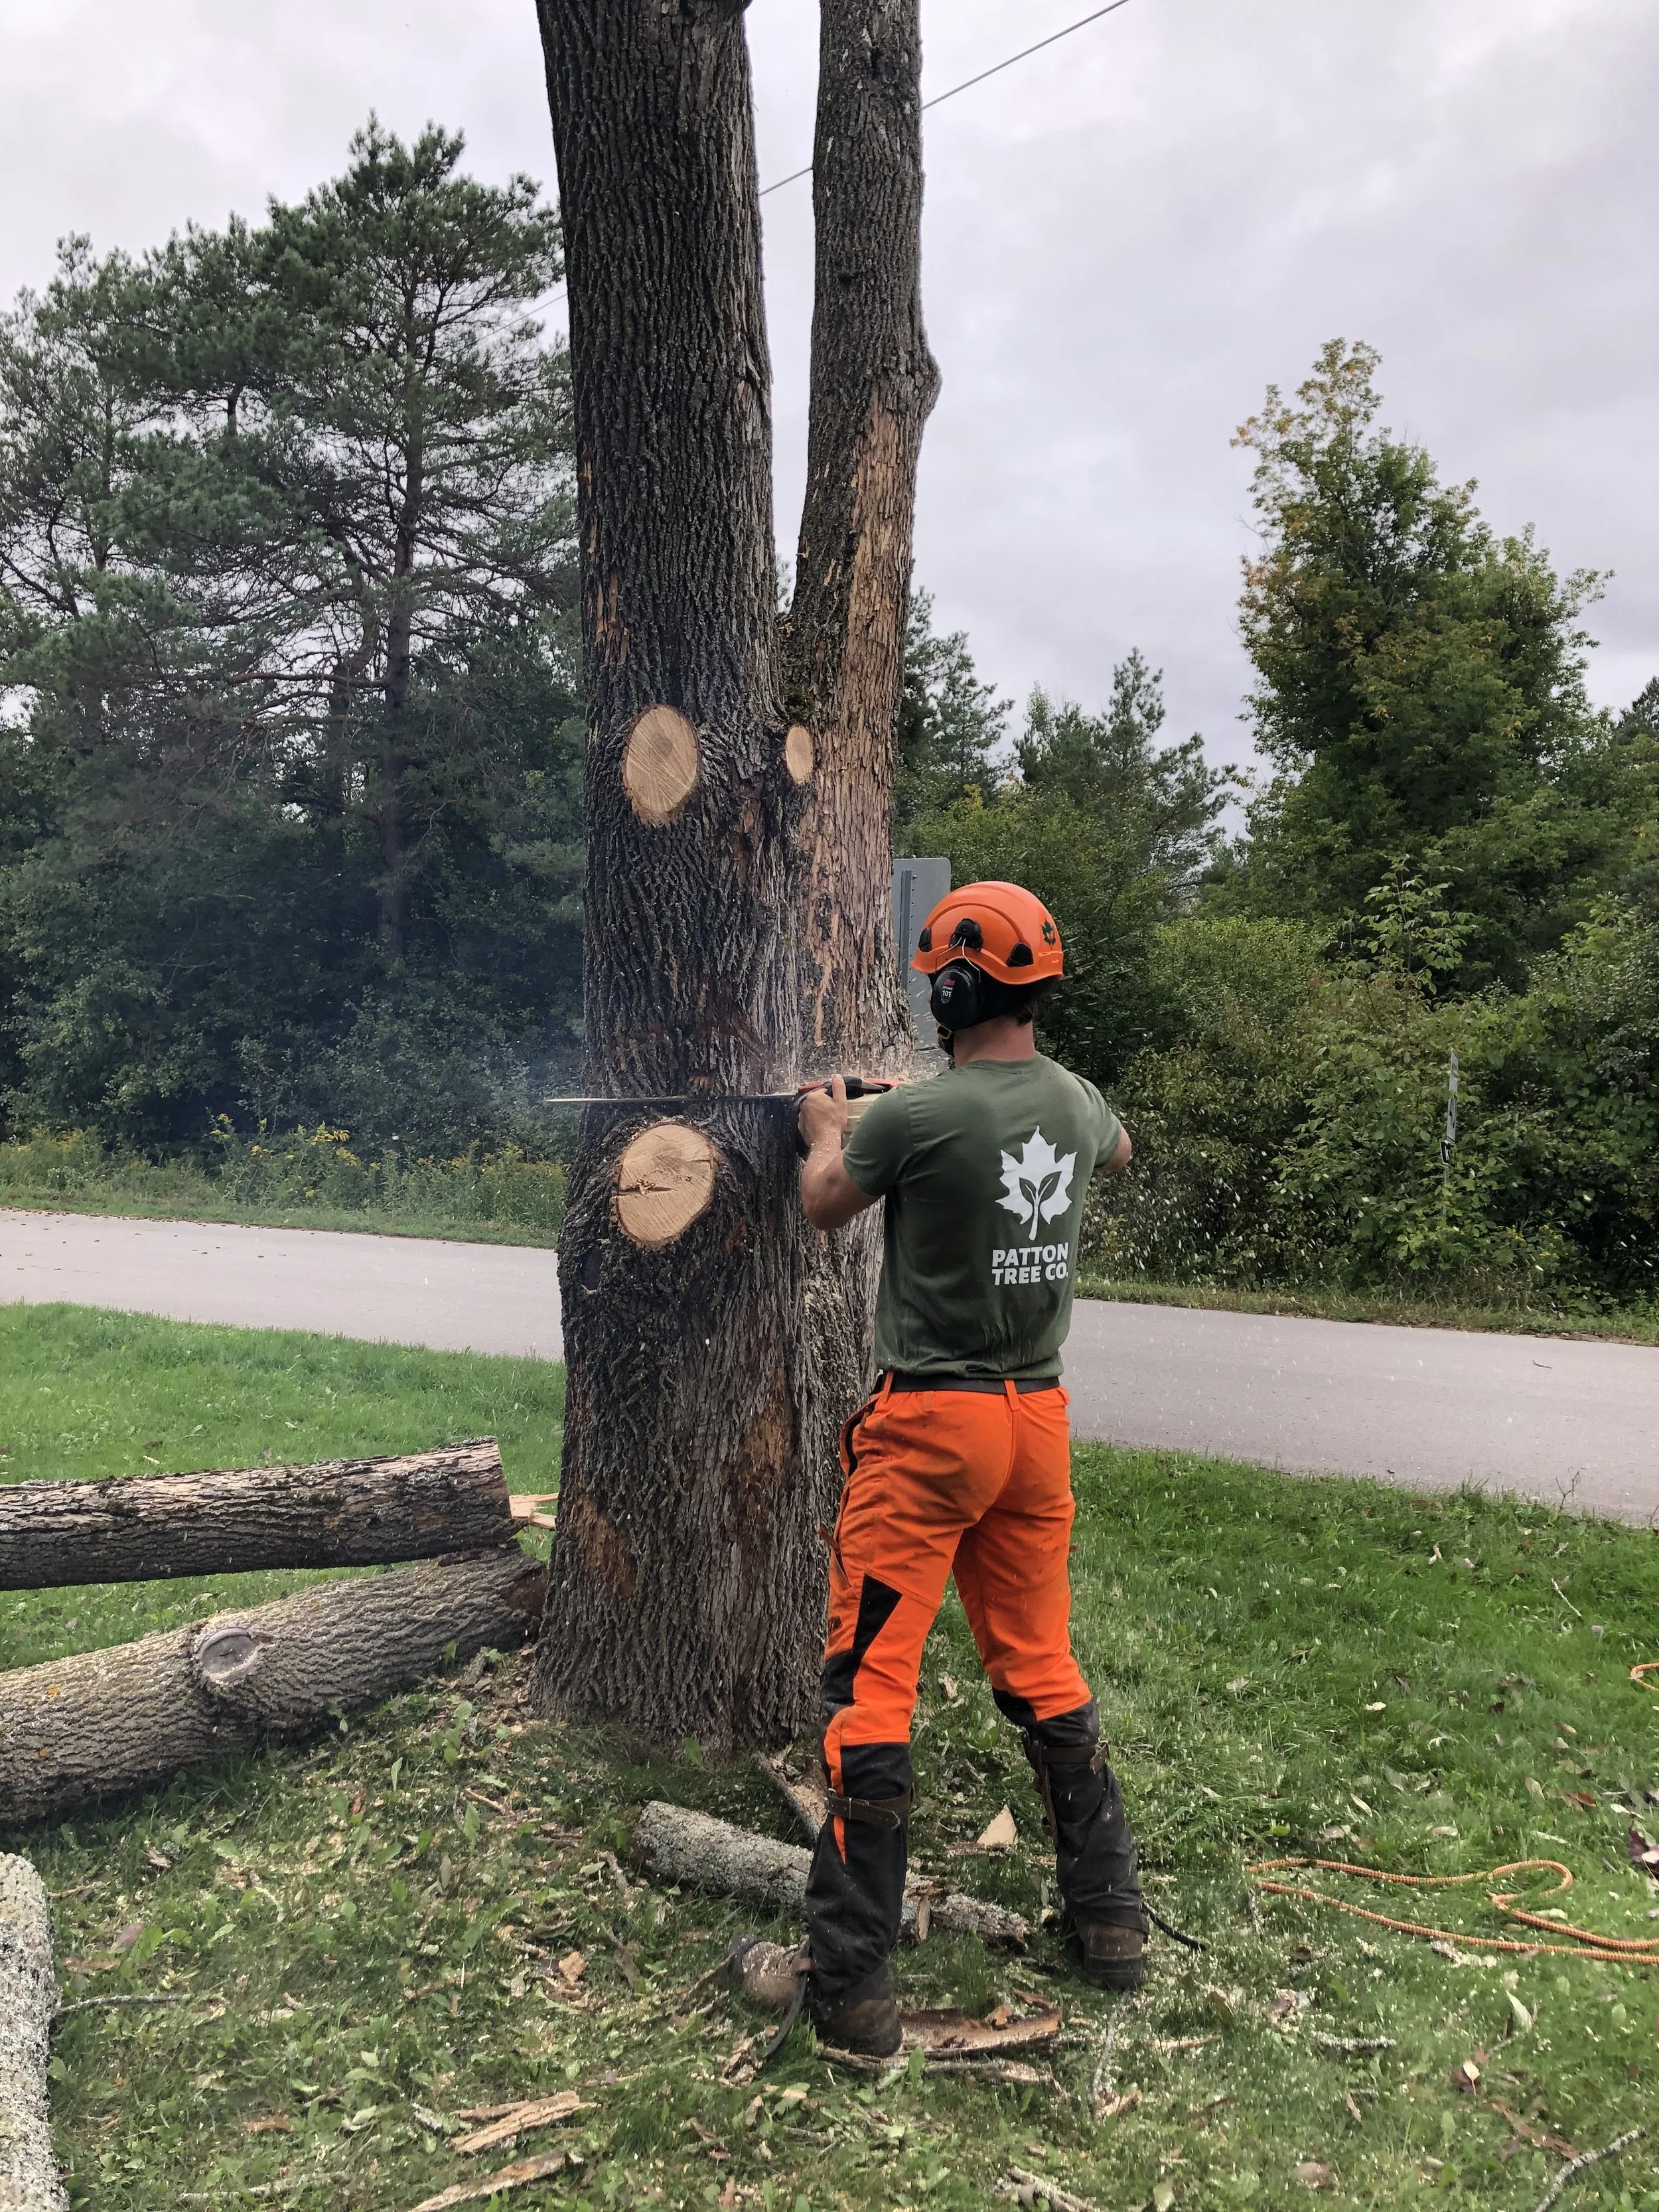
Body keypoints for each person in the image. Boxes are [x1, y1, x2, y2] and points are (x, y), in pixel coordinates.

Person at [793, 879, 1147, 2057]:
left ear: (952, 987)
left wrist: (831, 1124)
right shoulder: (1076, 1101)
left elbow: (824, 1205)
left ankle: (850, 1990)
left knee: (871, 1687)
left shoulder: (913, 1121)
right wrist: (942, 1102)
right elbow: (1112, 1139)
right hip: (1034, 1425)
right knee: (1041, 1664)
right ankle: (1109, 1925)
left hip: (930, 1432)